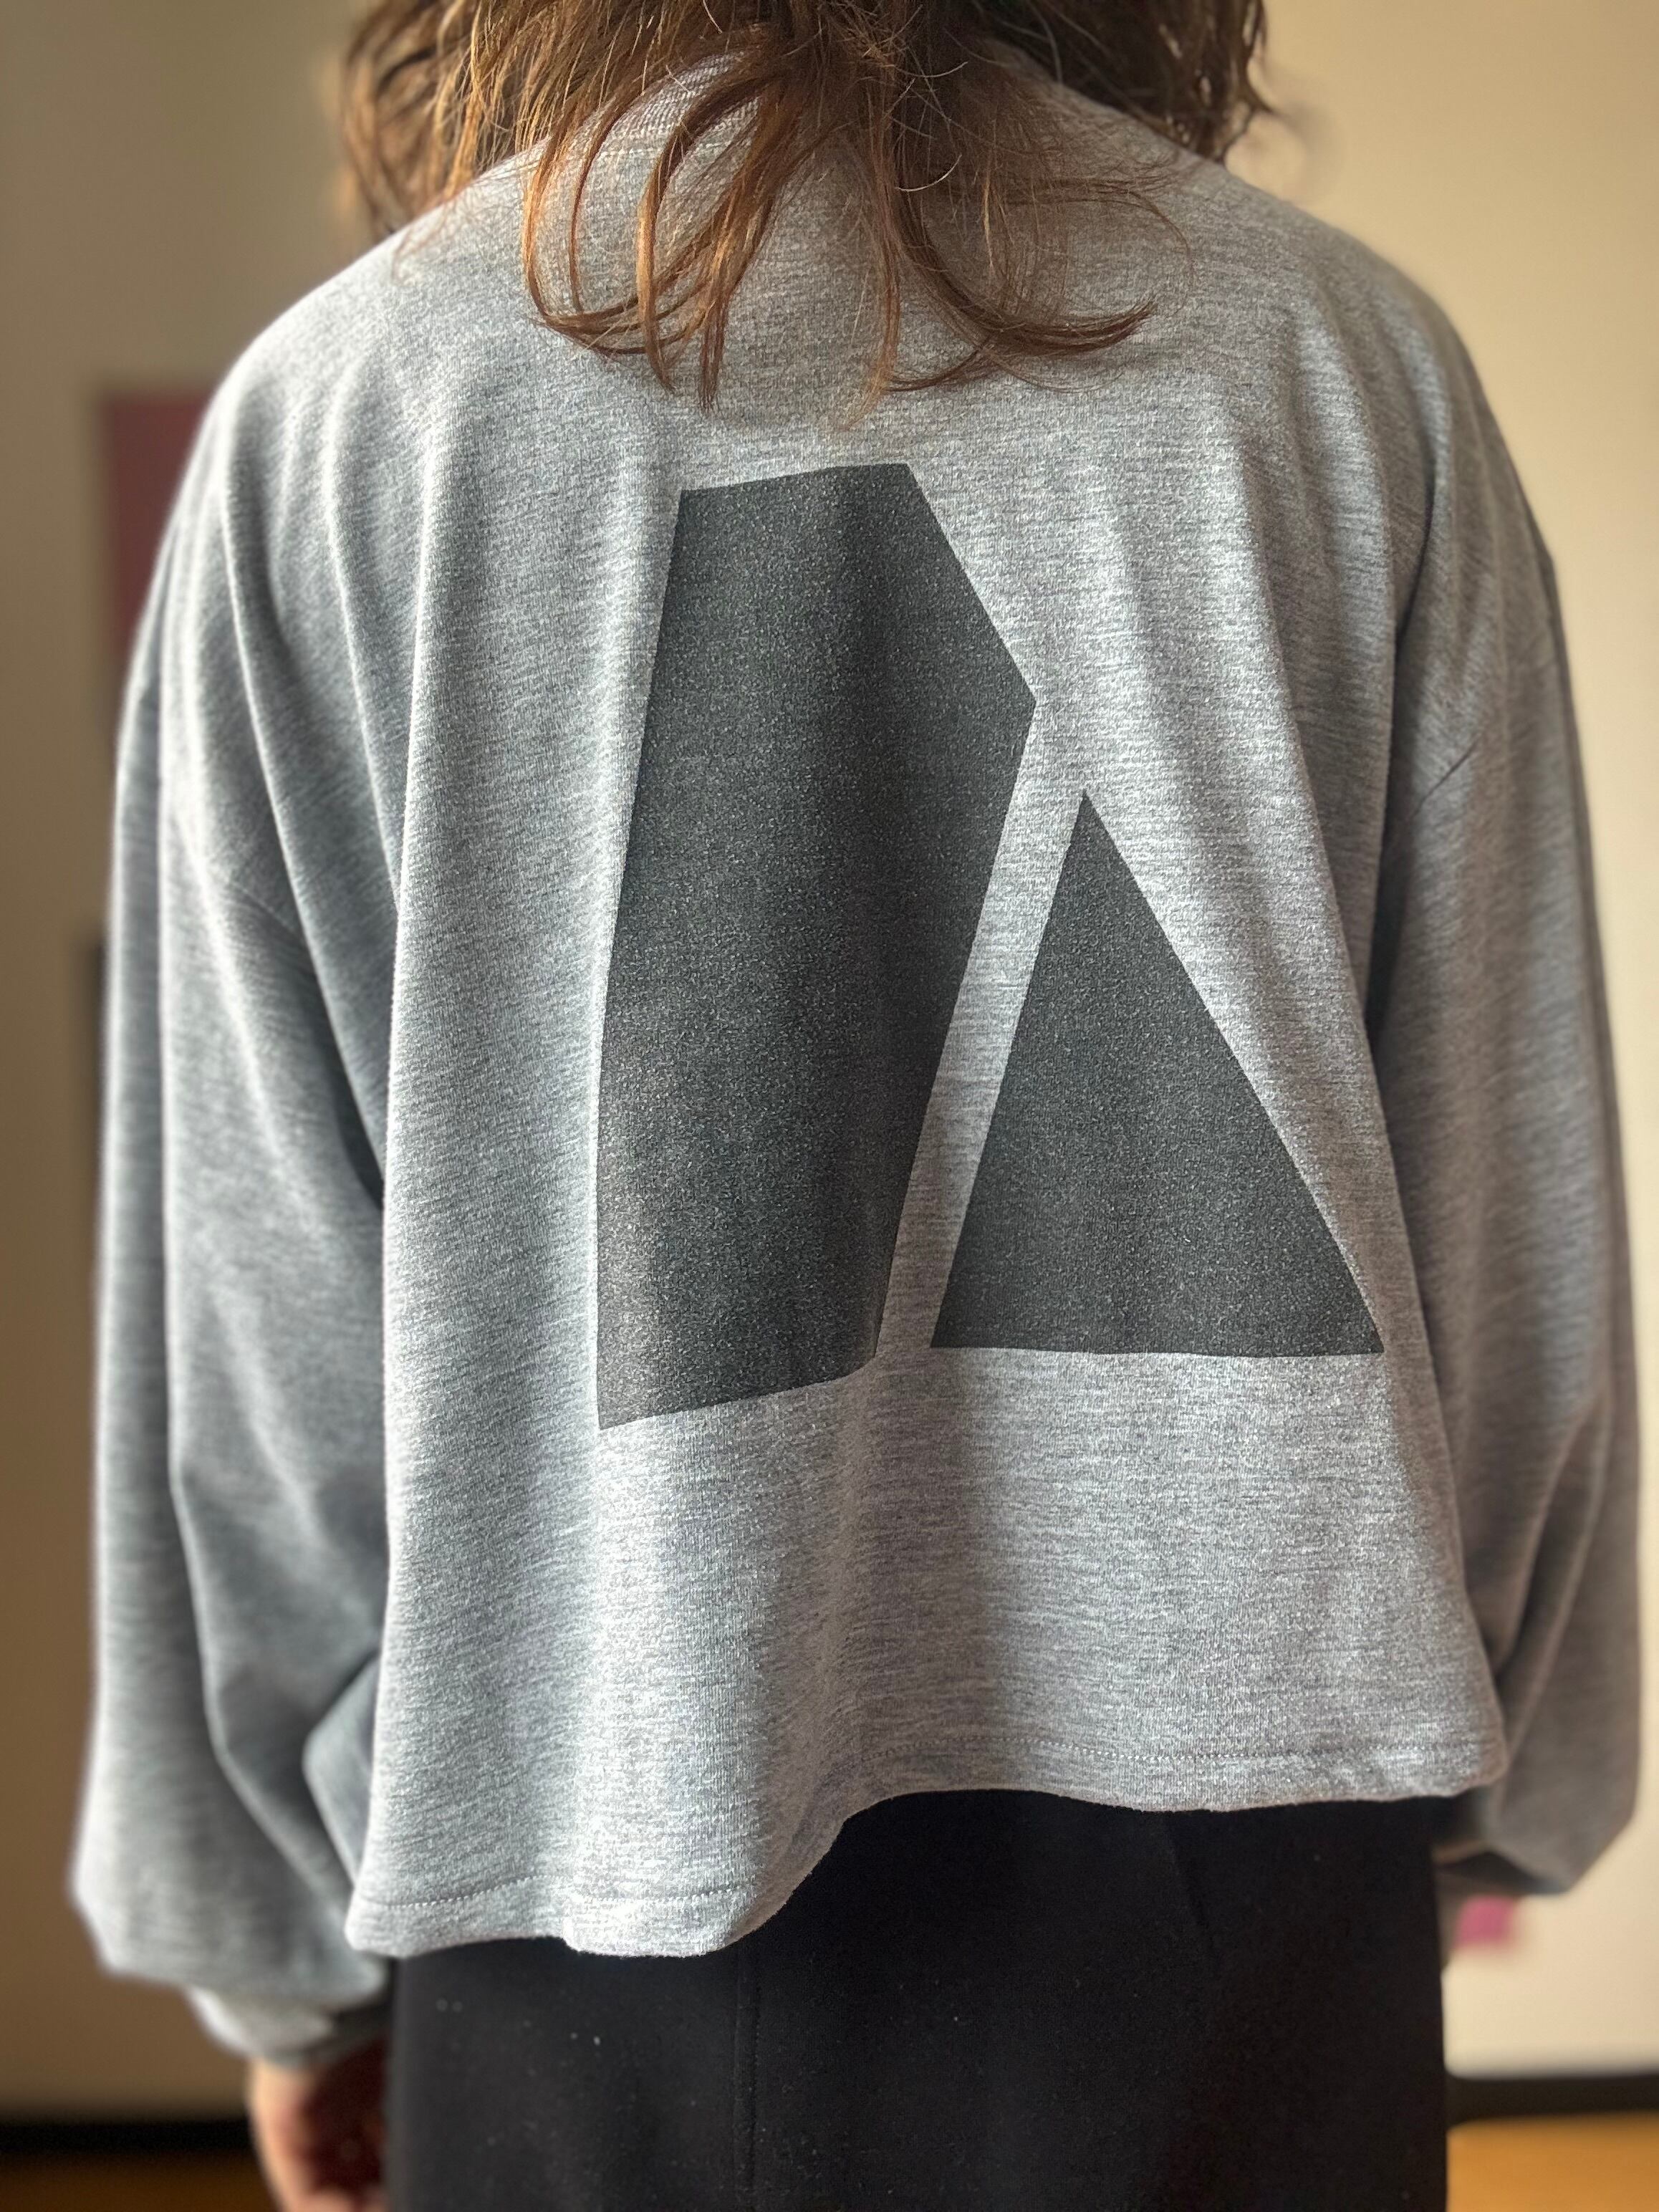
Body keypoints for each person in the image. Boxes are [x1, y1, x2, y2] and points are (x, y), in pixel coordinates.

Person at [72, 2, 1639, 2207]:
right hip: (1246, 1874)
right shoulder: (1334, 365)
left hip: (581, 1844)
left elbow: (257, 1333)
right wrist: (1489, 1788)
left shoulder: (349, 413)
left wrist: (277, 1963)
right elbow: (1507, 1232)